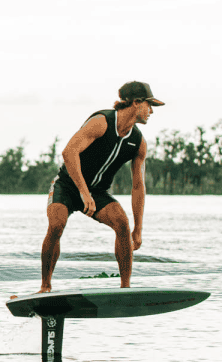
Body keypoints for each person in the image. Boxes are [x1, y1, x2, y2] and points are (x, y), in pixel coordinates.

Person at [32, 81, 162, 295]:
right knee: (56, 225)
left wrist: (138, 228)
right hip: (67, 186)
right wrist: (83, 192)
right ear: (136, 102)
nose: (151, 111)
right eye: (149, 105)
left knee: (122, 224)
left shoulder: (138, 142)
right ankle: (45, 287)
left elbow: (138, 186)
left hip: (98, 193)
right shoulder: (101, 122)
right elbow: (69, 152)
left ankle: (125, 290)